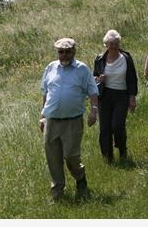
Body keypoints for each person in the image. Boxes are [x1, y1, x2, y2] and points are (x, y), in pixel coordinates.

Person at [39, 37, 99, 201]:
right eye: (61, 52)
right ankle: (57, 192)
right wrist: (43, 116)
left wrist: (94, 111)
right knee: (53, 158)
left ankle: (80, 179)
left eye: (67, 52)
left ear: (74, 51)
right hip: (52, 120)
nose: (64, 55)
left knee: (71, 156)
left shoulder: (82, 69)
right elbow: (45, 92)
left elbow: (93, 91)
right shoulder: (51, 68)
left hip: (73, 121)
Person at [93, 30, 138, 164]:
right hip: (105, 95)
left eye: (116, 43)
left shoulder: (126, 58)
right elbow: (93, 78)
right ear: (105, 44)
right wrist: (98, 79)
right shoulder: (99, 59)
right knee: (105, 128)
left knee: (117, 125)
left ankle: (122, 150)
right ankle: (108, 157)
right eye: (110, 44)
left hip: (121, 96)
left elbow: (132, 79)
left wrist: (132, 97)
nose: (113, 46)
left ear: (119, 43)